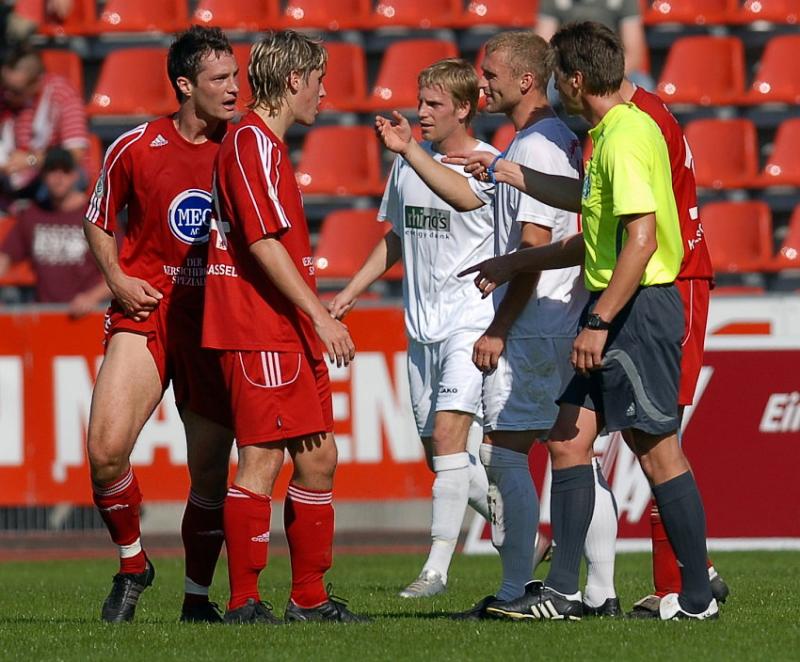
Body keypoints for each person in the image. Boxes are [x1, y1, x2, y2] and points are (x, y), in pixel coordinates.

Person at [457, 21, 717, 621]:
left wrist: (598, 320)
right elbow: (592, 222)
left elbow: (641, 242)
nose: (554, 88)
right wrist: (511, 181)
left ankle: (698, 597)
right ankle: (565, 592)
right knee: (568, 439)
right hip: (617, 303)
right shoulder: (610, 133)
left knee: (658, 451)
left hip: (635, 309)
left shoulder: (625, 136)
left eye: (558, 78)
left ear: (576, 80)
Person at [374, 31, 619, 618]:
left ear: (525, 80)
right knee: (571, 456)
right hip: (553, 319)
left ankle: (516, 591)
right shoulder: (541, 142)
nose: (482, 82)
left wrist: (499, 328)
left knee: (504, 455)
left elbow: (533, 246)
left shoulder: (538, 146)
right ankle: (598, 590)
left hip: (537, 324)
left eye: (491, 74)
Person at [202, 29, 367, 625]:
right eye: (318, 80)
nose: (324, 94)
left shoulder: (265, 144)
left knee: (319, 458)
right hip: (259, 327)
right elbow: (262, 242)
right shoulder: (250, 140)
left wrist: (311, 318)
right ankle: (244, 601)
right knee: (262, 461)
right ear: (294, 80)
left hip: (286, 328)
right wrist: (320, 317)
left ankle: (310, 597)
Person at [83, 26, 238, 624]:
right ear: (185, 85)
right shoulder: (135, 146)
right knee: (105, 452)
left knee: (209, 475)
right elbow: (99, 219)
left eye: (235, 76)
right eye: (219, 78)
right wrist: (117, 278)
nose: (234, 88)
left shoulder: (242, 149)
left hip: (213, 323)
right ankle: (132, 564)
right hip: (145, 315)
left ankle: (197, 600)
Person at [329, 58, 493, 599]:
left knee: (448, 440)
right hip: (421, 329)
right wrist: (352, 290)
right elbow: (398, 236)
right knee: (439, 454)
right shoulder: (408, 163)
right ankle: (518, 523)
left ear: (463, 109)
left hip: (471, 321)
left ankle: (436, 570)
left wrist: (410, 153)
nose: (421, 112)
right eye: (420, 101)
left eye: (434, 104)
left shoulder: (487, 166)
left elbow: (460, 195)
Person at [0, 146, 109, 314]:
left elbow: (122, 269)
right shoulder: (32, 215)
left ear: (75, 175)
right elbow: (4, 258)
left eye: (65, 170)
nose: (58, 178)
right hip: (45, 313)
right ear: (43, 176)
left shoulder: (95, 214)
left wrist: (92, 297)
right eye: (52, 171)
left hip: (89, 314)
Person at [1, 41, 88, 198]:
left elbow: (74, 154)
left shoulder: (62, 95)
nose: (7, 95)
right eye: (4, 86)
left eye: (16, 91)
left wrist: (30, 160)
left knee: (57, 182)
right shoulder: (4, 98)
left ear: (37, 82)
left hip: (49, 171)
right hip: (10, 170)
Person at [535, 0, 653, 91]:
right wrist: (564, 74)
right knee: (540, 88)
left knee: (643, 85)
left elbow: (634, 53)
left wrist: (603, 77)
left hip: (611, 69)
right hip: (565, 71)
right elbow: (543, 50)